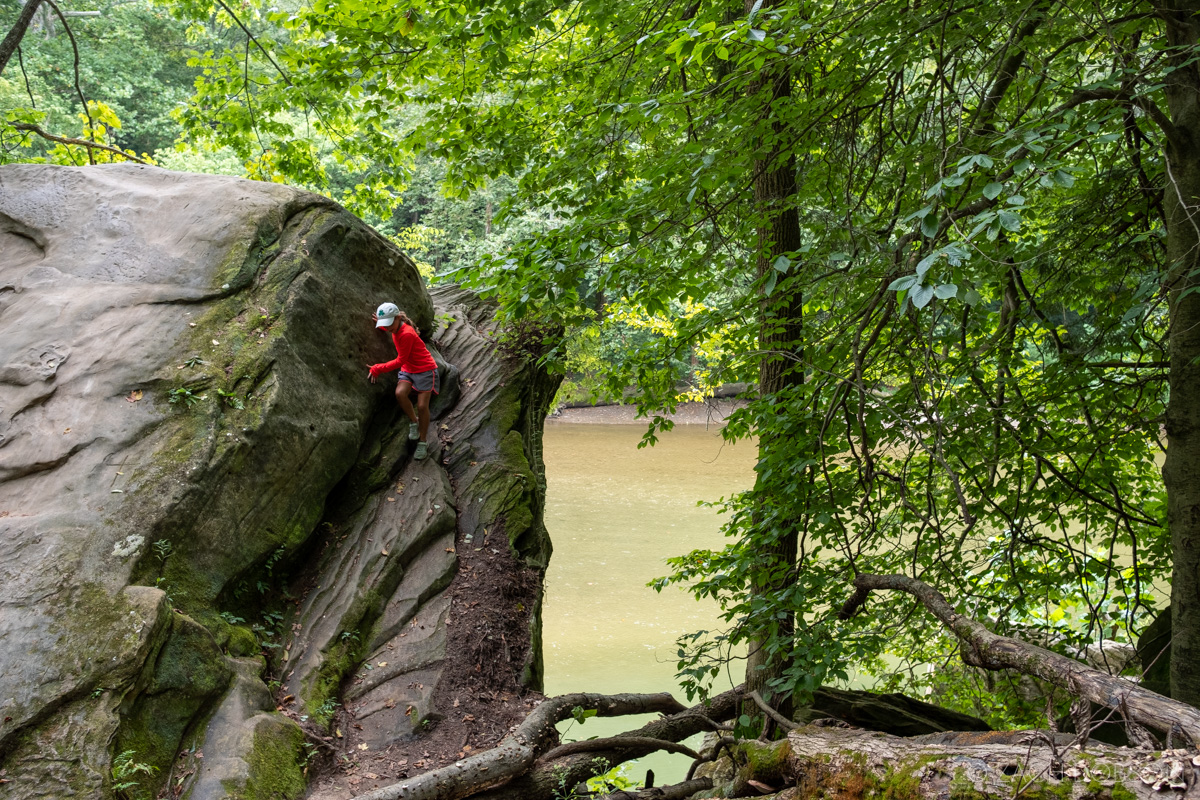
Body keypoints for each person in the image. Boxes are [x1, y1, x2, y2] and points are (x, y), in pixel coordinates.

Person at [368, 302, 439, 461]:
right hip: (409, 368)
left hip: (425, 370)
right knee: (400, 393)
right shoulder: (395, 326)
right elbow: (393, 331)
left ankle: (422, 441)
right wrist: (382, 325)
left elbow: (400, 360)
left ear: (398, 318)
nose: (387, 328)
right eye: (384, 325)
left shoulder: (406, 333)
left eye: (389, 324)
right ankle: (414, 422)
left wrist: (378, 368)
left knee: (422, 406)